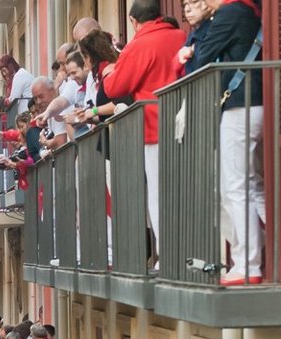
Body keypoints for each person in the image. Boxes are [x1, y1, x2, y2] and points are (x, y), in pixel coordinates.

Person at [100, 0, 186, 261]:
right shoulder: (180, 35)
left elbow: (115, 87)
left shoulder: (138, 45)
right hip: (186, 120)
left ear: (134, 20)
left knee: (159, 195)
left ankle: (169, 256)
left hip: (153, 127)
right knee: (186, 189)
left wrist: (107, 71)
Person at [191, 0, 265, 285]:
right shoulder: (249, 11)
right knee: (253, 184)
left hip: (238, 105)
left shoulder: (228, 13)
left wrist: (198, 38)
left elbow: (203, 57)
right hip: (255, 102)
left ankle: (248, 265)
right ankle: (256, 257)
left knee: (234, 187)